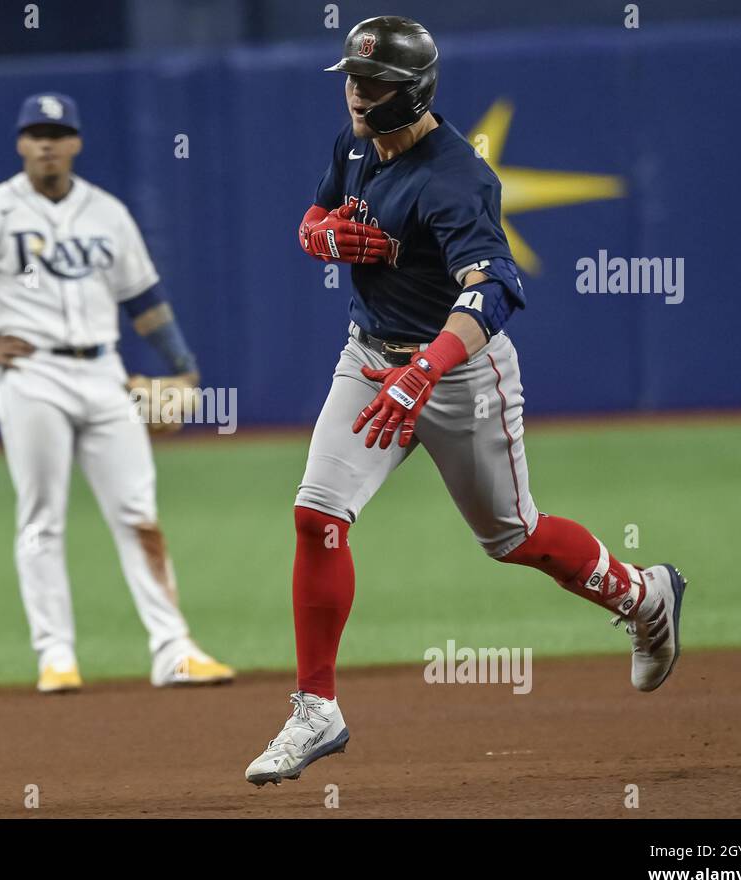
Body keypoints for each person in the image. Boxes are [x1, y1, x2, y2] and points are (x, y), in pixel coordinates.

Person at [244, 17, 685, 786]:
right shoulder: (353, 145)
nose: (355, 89)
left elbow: (495, 290)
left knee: (513, 535)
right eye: (352, 74)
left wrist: (428, 370)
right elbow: (315, 214)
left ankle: (644, 593)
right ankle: (316, 707)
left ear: (411, 91)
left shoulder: (456, 177)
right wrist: (322, 237)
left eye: (373, 81)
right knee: (317, 514)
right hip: (370, 357)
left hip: (458, 375)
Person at [0, 92, 234, 693]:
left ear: (76, 141)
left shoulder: (107, 212)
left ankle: (174, 650)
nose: (46, 142)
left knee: (138, 514)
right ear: (20, 143)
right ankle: (55, 655)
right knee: (41, 518)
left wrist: (183, 369)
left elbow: (144, 299)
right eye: (35, 132)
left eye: (57, 131)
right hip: (32, 378)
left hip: (105, 374)